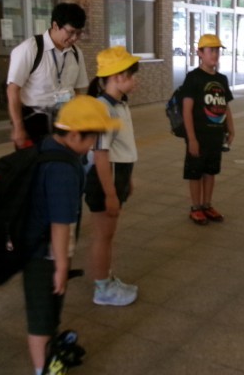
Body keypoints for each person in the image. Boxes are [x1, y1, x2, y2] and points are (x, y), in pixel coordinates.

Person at [22, 95, 120, 375]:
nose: (93, 146)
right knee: (42, 317)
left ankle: (51, 350)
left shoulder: (47, 146)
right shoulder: (63, 169)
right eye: (91, 138)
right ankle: (43, 368)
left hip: (38, 247)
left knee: (49, 310)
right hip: (44, 254)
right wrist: (62, 265)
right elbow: (60, 223)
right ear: (75, 135)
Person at [84, 46, 140, 306]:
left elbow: (121, 150)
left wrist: (127, 181)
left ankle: (105, 278)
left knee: (107, 235)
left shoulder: (119, 105)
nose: (135, 80)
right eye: (132, 75)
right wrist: (110, 194)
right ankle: (102, 288)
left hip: (116, 177)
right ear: (118, 76)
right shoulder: (102, 109)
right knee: (103, 235)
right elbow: (100, 155)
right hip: (104, 180)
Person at [7, 2, 89, 149]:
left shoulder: (76, 53)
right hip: (34, 122)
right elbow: (13, 89)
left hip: (65, 122)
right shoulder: (30, 49)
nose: (74, 38)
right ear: (55, 25)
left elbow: (77, 91)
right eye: (70, 32)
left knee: (63, 161)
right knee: (36, 162)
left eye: (78, 33)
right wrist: (18, 127)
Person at [182, 34, 235, 225]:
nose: (215, 54)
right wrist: (191, 138)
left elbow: (225, 106)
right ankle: (196, 207)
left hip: (215, 135)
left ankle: (207, 205)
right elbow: (186, 109)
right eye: (211, 50)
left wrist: (231, 129)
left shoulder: (221, 79)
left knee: (211, 171)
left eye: (217, 51)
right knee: (195, 172)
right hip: (198, 135)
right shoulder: (193, 78)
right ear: (200, 53)